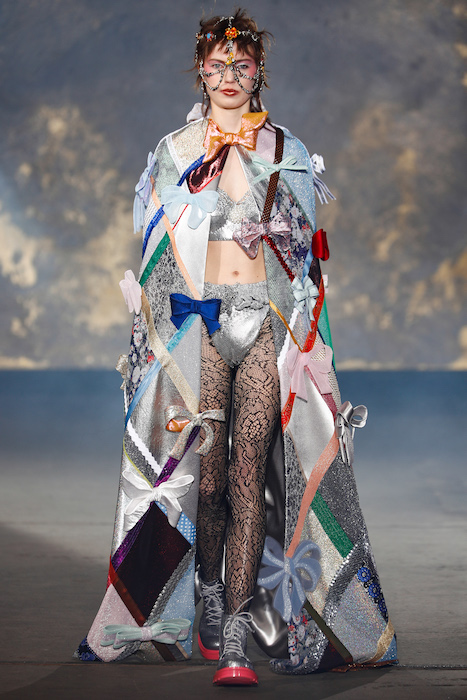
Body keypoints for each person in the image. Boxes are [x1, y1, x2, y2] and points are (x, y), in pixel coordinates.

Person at [76, 9, 398, 687]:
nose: (228, 76)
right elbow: (159, 256)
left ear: (258, 74)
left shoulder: (287, 150)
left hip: (263, 325)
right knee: (211, 476)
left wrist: (309, 341)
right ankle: (208, 595)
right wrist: (150, 342)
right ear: (200, 71)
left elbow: (305, 263)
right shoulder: (173, 151)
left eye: (241, 65)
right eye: (217, 66)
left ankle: (234, 639)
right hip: (197, 327)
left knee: (251, 470)